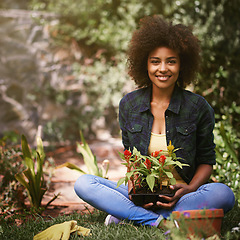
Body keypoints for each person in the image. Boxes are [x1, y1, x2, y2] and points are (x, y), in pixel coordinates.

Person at [74, 15, 235, 227]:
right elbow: (131, 157)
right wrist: (133, 189)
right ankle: (159, 221)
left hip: (181, 195)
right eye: (155, 61)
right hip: (143, 195)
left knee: (224, 194)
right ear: (145, 64)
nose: (163, 69)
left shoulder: (197, 107)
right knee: (84, 183)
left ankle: (127, 215)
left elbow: (206, 160)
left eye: (171, 61)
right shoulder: (129, 105)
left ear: (182, 65)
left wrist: (189, 188)